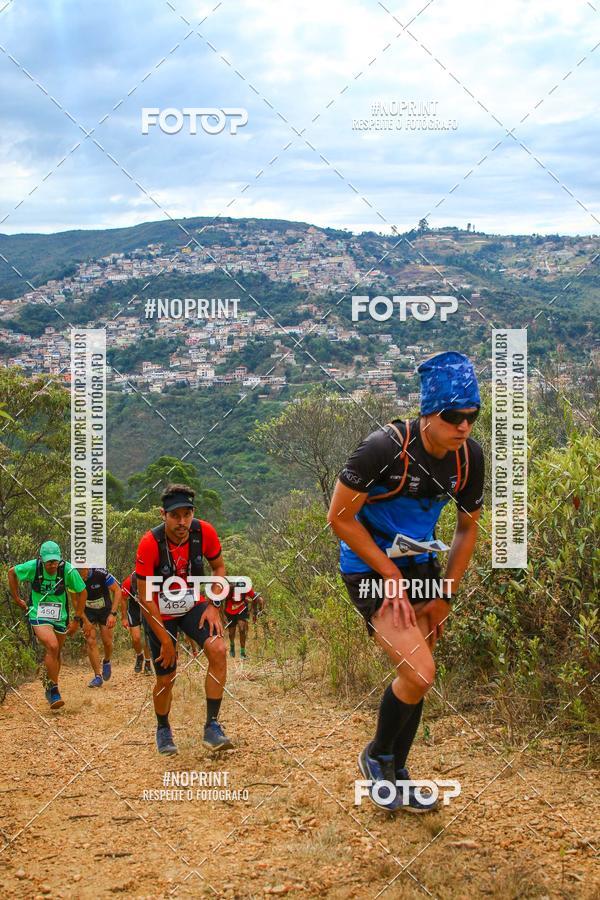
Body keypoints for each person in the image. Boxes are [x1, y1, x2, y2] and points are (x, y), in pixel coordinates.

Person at [328, 352, 484, 812]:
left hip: (422, 569)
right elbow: (339, 517)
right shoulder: (382, 449)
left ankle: (397, 772)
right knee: (420, 672)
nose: (464, 427)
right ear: (427, 413)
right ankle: (377, 755)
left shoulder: (468, 458)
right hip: (369, 568)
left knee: (416, 679)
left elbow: (466, 528)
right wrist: (390, 574)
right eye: (453, 417)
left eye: (472, 417)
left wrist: (445, 595)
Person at [134, 483, 233, 755]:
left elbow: (219, 566)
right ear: (163, 515)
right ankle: (163, 728)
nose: (182, 522)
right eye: (175, 515)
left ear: (193, 513)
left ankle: (212, 726)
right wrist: (166, 640)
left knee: (218, 649)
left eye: (187, 514)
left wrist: (214, 604)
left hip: (191, 604)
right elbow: (145, 598)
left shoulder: (204, 533)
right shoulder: (150, 543)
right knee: (167, 678)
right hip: (158, 612)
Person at [7, 540, 87, 708]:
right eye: (48, 561)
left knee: (57, 652)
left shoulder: (67, 570)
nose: (52, 565)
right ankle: (53, 689)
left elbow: (82, 592)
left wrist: (76, 619)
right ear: (41, 559)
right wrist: (17, 598)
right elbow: (12, 572)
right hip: (38, 614)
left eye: (55, 561)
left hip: (60, 616)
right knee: (52, 646)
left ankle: (52, 689)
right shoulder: (33, 567)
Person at [77, 567, 122, 687]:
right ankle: (97, 676)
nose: (83, 578)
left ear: (88, 567)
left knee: (107, 642)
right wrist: (85, 621)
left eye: (84, 574)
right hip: (87, 611)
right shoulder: (73, 576)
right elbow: (76, 603)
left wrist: (113, 614)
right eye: (80, 574)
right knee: (90, 640)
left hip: (105, 610)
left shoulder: (101, 573)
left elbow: (117, 590)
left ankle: (106, 660)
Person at [121, 572, 153, 675]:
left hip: (147, 610)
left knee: (147, 638)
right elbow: (123, 599)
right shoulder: (129, 581)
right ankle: (139, 655)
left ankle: (148, 664)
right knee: (136, 638)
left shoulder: (152, 578)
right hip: (134, 611)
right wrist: (124, 618)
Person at [225, 583, 260, 658]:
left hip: (242, 610)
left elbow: (255, 597)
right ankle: (232, 646)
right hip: (230, 610)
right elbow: (223, 601)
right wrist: (222, 615)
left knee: (242, 629)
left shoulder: (248, 589)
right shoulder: (230, 589)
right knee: (231, 633)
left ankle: (242, 652)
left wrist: (254, 612)